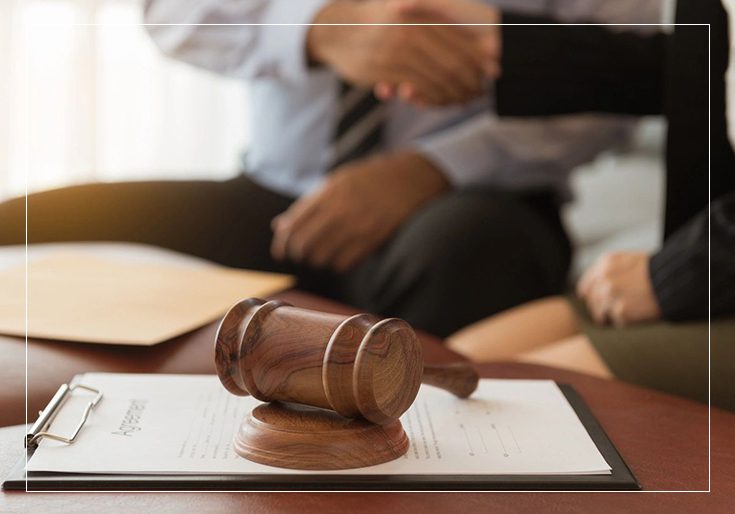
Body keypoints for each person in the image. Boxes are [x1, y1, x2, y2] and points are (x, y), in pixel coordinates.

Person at [0, 0, 659, 338]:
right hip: (276, 193)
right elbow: (169, 13)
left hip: (481, 200)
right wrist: (318, 26)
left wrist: (434, 166)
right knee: (33, 224)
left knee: (468, 251)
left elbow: (628, 83)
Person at [391, 0, 735, 409]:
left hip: (712, 266)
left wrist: (675, 275)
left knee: (499, 398)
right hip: (711, 274)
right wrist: (497, 40)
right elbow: (696, 71)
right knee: (456, 361)